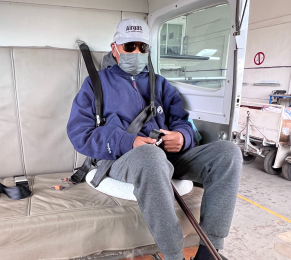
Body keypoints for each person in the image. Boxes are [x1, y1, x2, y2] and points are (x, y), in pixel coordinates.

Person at [67, 18, 242, 260]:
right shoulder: (96, 84)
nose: (136, 53)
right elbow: (79, 134)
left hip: (167, 156)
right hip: (122, 158)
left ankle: (208, 252)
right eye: (130, 47)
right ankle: (173, 255)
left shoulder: (160, 84)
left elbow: (181, 120)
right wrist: (127, 142)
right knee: (151, 157)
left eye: (143, 47)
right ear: (115, 48)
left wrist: (183, 136)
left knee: (228, 153)